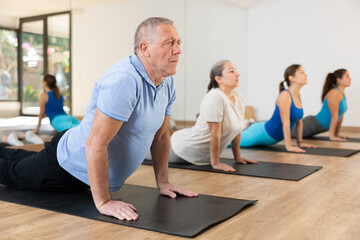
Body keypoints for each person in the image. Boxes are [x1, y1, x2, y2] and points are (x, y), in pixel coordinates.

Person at [0, 17, 197, 221]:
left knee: (16, 158)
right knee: (9, 173)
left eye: (178, 43)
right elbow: (95, 143)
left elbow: (162, 136)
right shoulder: (125, 80)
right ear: (145, 48)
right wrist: (103, 202)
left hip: (79, 158)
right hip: (69, 166)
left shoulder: (166, 83)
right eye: (169, 43)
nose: (178, 50)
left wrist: (163, 182)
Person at [169, 60, 258, 172]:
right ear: (218, 79)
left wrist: (238, 157)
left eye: (236, 71)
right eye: (231, 71)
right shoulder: (215, 97)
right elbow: (215, 134)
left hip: (201, 156)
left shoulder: (239, 97)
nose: (237, 74)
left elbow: (237, 130)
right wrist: (216, 163)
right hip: (181, 149)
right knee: (141, 151)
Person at [240, 64, 316, 152]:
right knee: (228, 142)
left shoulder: (298, 95)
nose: (306, 75)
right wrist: (289, 146)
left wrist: (300, 142)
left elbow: (299, 122)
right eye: (302, 73)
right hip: (260, 133)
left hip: (270, 137)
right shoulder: (285, 95)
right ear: (291, 78)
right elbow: (286, 124)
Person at [291, 69, 351, 141]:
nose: (350, 79)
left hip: (316, 125)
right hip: (311, 125)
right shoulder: (334, 93)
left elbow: (340, 115)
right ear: (339, 79)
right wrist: (332, 136)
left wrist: (337, 134)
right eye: (347, 76)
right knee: (284, 133)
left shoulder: (342, 94)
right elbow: (334, 116)